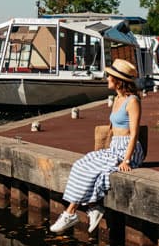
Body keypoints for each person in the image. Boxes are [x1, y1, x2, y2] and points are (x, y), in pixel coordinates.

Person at [49, 58, 144, 234]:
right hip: (114, 146)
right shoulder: (117, 99)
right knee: (80, 165)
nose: (107, 79)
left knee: (94, 170)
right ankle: (93, 207)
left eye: (110, 76)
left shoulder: (132, 101)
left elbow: (134, 134)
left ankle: (70, 213)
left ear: (118, 80)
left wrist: (127, 160)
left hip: (126, 149)